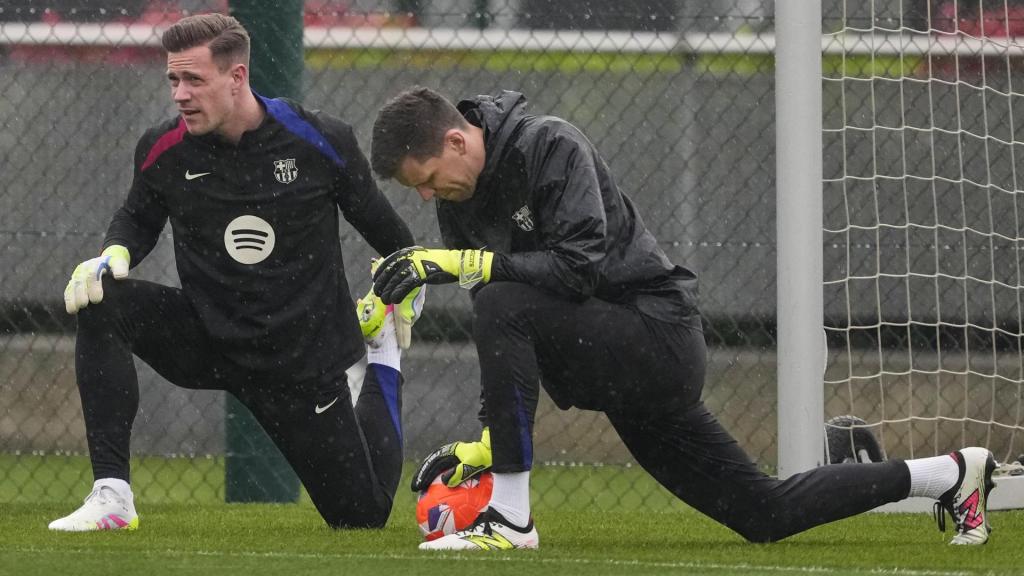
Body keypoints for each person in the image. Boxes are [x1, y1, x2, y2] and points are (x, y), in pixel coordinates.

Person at [368, 86, 999, 550]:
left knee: (500, 298)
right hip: (615, 375)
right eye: (415, 189)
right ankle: (950, 473)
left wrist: (464, 264)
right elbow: (504, 328)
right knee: (762, 514)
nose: (425, 196)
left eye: (426, 179)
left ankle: (510, 520)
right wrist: (490, 441)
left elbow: (576, 269)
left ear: (456, 141)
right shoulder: (459, 199)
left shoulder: (550, 144)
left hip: (657, 338)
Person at [49, 14, 422, 532]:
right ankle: (112, 496)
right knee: (100, 300)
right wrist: (113, 254)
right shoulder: (162, 148)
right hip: (208, 338)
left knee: (362, 517)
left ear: (237, 77)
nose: (180, 94)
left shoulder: (320, 139)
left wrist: (405, 289)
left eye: (194, 79)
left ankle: (383, 353)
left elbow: (388, 231)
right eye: (173, 79)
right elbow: (137, 217)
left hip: (299, 362)